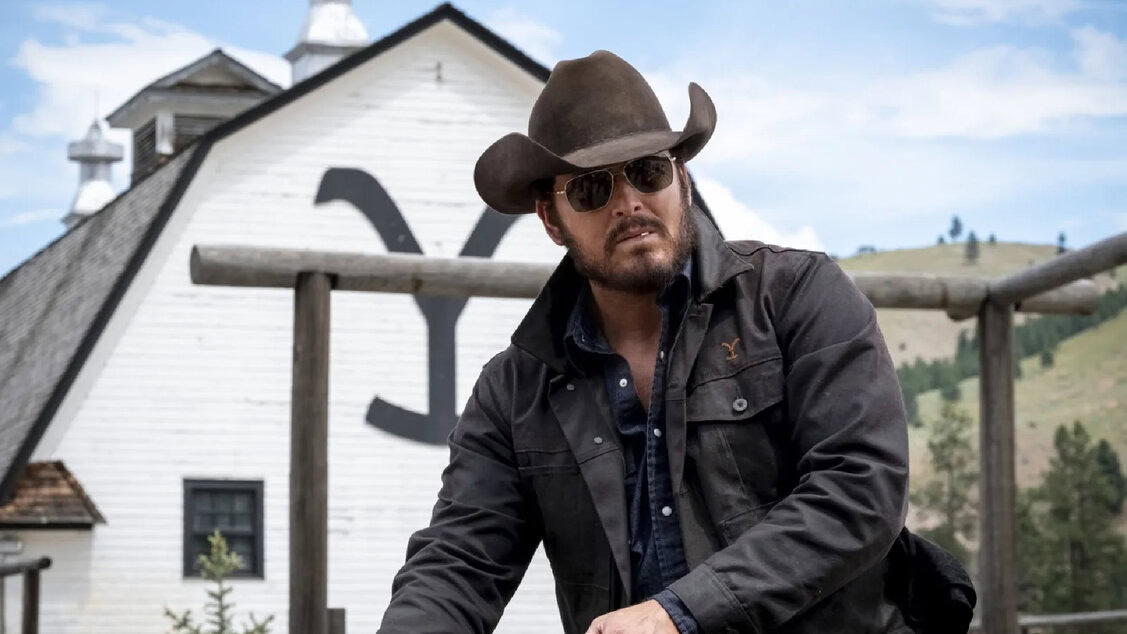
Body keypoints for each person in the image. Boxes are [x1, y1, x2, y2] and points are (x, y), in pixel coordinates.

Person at [378, 50, 918, 634]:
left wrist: (680, 613)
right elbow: (459, 562)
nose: (629, 202)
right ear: (552, 220)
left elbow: (860, 488)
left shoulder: (797, 297)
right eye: (591, 188)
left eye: (649, 171)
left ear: (681, 180)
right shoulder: (515, 390)